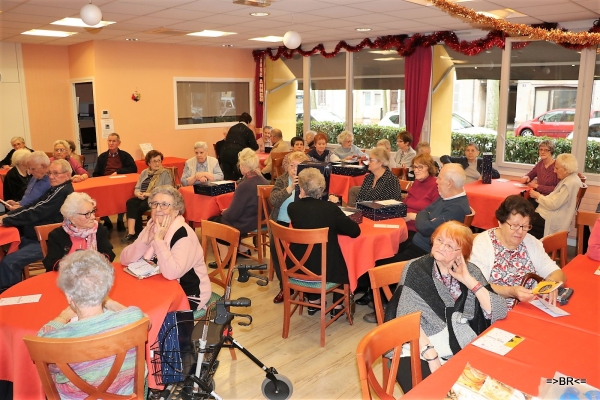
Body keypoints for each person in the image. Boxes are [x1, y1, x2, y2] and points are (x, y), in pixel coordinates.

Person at [389, 221, 507, 392]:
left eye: (450, 245)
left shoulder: (471, 270)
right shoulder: (416, 269)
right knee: (429, 393)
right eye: (439, 240)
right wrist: (432, 357)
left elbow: (499, 311)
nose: (441, 247)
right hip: (419, 345)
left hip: (462, 343)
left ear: (462, 253)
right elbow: (407, 320)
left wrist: (467, 279)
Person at [37, 250, 145, 399]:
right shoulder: (133, 318)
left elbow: (41, 337)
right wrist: (109, 301)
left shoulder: (55, 338)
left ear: (69, 297)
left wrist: (62, 316)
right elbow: (146, 320)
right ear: (106, 288)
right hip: (124, 393)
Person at [120, 185, 211, 311]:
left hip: (187, 295)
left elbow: (171, 273)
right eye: (154, 204)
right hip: (158, 285)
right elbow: (124, 260)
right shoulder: (152, 227)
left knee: (142, 311)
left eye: (164, 205)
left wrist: (158, 241)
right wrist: (144, 242)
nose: (158, 209)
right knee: (126, 298)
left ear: (177, 210)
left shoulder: (184, 235)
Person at [285, 167, 361, 315]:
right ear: (321, 189)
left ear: (302, 188)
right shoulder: (330, 209)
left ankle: (313, 302)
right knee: (341, 258)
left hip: (296, 268)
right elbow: (354, 231)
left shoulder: (292, 208)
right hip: (323, 272)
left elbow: (310, 220)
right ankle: (337, 306)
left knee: (314, 254)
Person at [470, 195, 567, 310]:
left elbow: (557, 273)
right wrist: (511, 291)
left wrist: (551, 284)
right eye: (515, 225)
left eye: (525, 226)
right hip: (495, 311)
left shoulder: (531, 242)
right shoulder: (483, 243)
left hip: (529, 308)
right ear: (500, 222)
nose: (520, 232)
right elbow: (478, 285)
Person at [0, 159, 74, 289]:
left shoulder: (62, 191)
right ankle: (15, 287)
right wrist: (7, 216)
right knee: (7, 251)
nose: (51, 176)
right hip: (34, 238)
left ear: (67, 175)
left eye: (56, 173)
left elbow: (36, 211)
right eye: (50, 173)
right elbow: (34, 205)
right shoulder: (55, 189)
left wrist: (5, 219)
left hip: (49, 242)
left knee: (9, 262)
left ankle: (9, 295)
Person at [379, 164, 471, 264]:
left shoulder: (456, 208)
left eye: (439, 178)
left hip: (424, 253)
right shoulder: (446, 197)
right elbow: (424, 211)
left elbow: (425, 228)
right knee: (381, 250)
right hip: (416, 243)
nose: (436, 181)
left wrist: (425, 216)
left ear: (449, 183)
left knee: (376, 264)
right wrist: (426, 216)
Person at [208, 148, 269, 264]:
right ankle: (243, 250)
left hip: (248, 222)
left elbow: (233, 214)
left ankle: (225, 260)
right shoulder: (264, 181)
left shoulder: (244, 185)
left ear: (243, 166)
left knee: (215, 221)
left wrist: (225, 212)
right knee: (226, 217)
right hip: (261, 220)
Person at [269, 151, 310, 304]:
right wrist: (290, 188)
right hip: (282, 222)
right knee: (275, 247)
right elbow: (273, 200)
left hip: (302, 224)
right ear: (286, 167)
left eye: (298, 166)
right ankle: (285, 286)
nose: (294, 169)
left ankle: (304, 285)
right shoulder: (282, 180)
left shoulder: (308, 180)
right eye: (291, 165)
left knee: (306, 250)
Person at [43, 192, 115, 272]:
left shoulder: (99, 230)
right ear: (72, 217)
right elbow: (51, 262)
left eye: (93, 211)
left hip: (94, 275)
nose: (93, 217)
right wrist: (76, 266)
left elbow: (109, 254)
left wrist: (94, 262)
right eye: (87, 213)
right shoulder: (57, 235)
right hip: (66, 278)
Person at [122, 150, 173, 243]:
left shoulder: (165, 173)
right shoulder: (144, 173)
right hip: (143, 196)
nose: (157, 163)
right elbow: (137, 187)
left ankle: (137, 233)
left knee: (140, 207)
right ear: (149, 163)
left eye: (159, 160)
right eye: (154, 161)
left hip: (157, 198)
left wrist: (149, 194)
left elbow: (168, 189)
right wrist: (138, 193)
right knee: (130, 202)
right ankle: (131, 232)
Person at [528, 153, 583, 239]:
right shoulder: (570, 178)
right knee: (526, 212)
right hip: (551, 214)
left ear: (565, 169)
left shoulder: (570, 183)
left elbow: (553, 205)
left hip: (551, 219)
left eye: (556, 168)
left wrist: (538, 196)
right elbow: (554, 199)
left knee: (523, 222)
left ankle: (529, 249)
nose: (554, 171)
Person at [92, 133, 137, 232]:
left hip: (119, 181)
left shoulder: (125, 155)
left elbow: (133, 168)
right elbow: (96, 173)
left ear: (119, 143)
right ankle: (106, 220)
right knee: (99, 196)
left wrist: (118, 172)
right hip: (105, 182)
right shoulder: (102, 157)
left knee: (122, 196)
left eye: (114, 141)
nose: (111, 143)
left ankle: (120, 219)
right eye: (109, 141)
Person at [404, 154, 440, 235]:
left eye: (420, 167)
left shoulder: (436, 185)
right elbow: (406, 203)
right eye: (415, 167)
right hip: (403, 225)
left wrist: (411, 216)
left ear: (429, 168)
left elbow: (435, 215)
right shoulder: (417, 182)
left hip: (418, 230)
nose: (416, 170)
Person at [220, 112, 259, 180]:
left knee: (227, 176)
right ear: (248, 122)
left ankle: (228, 189)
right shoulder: (248, 131)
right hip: (237, 154)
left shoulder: (232, 128)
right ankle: (239, 189)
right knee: (238, 176)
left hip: (224, 152)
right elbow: (254, 147)